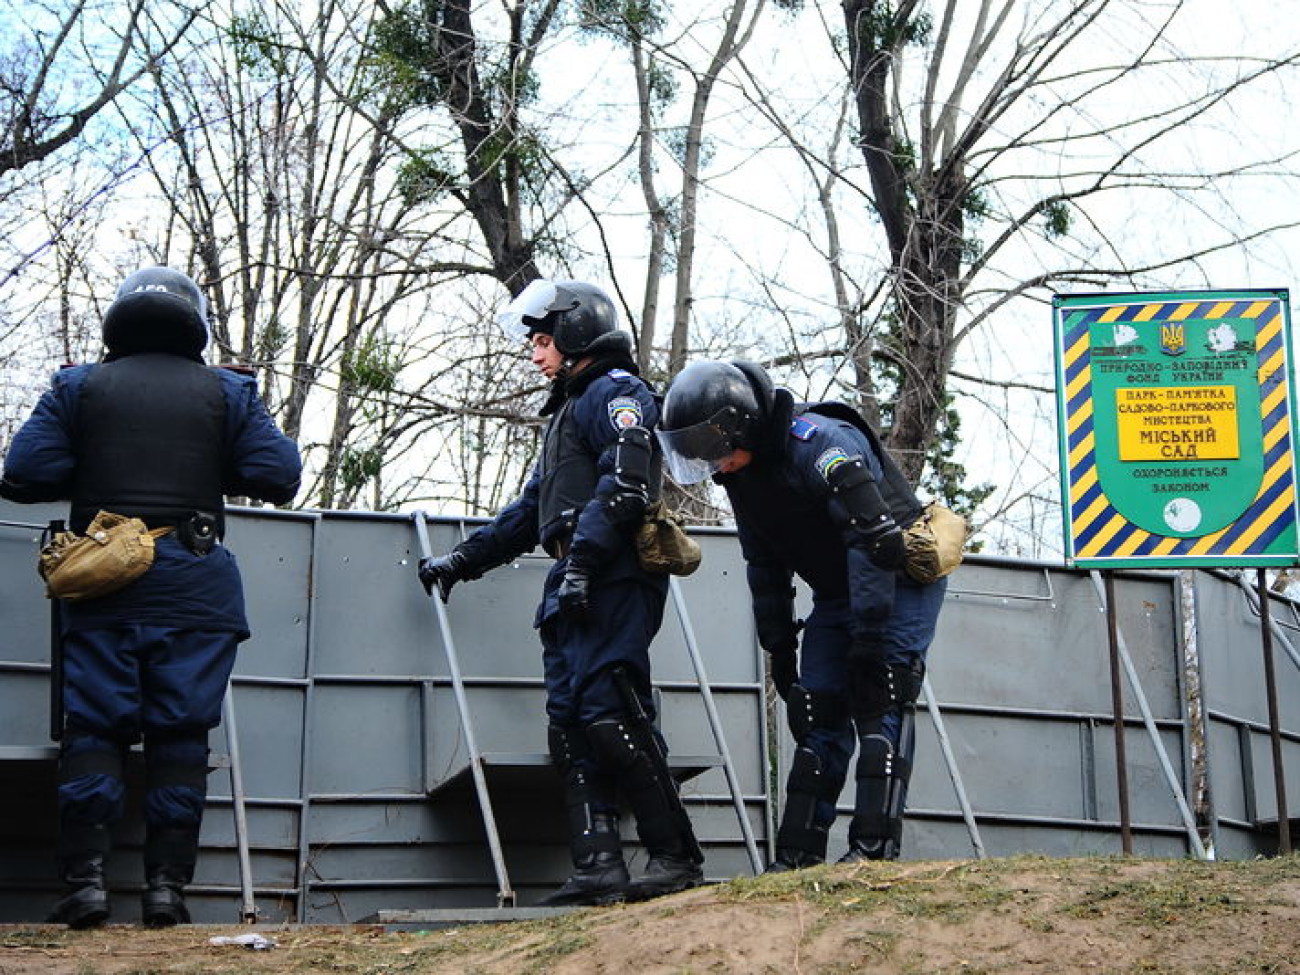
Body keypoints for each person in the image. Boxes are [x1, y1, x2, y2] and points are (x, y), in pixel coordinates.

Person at [0, 267, 302, 928]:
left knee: (94, 727)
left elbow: (23, 472)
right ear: (195, 322)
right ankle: (167, 890)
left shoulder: (79, 386)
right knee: (180, 732)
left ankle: (86, 885)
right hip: (195, 585)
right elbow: (278, 475)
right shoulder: (227, 391)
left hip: (105, 586)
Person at [418, 279, 704, 906]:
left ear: (575, 337)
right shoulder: (567, 414)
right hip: (571, 575)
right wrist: (462, 561)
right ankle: (598, 866)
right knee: (571, 724)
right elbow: (531, 511)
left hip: (612, 574)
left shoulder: (616, 394)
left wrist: (586, 561)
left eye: (543, 340)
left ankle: (675, 856)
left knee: (612, 713)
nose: (534, 353)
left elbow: (627, 486)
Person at [657, 360, 946, 869]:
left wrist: (870, 642)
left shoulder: (823, 445)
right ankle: (796, 859)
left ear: (740, 425)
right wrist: (780, 647)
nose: (716, 467)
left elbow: (874, 540)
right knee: (815, 710)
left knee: (881, 692)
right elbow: (763, 564)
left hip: (895, 575)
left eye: (718, 455)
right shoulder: (742, 476)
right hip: (839, 588)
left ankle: (872, 852)